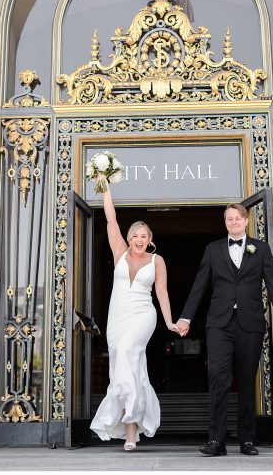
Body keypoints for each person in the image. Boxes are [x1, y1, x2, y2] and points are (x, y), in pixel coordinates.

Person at [176, 203, 273, 456]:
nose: (234, 222)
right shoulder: (213, 249)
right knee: (218, 379)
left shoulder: (260, 249)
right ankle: (216, 441)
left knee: (247, 381)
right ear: (225, 222)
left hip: (250, 323)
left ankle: (247, 440)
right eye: (229, 219)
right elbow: (199, 285)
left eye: (238, 218)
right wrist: (186, 318)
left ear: (246, 221)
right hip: (219, 323)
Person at [89, 176, 178, 451]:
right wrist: (105, 187)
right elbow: (110, 219)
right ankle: (130, 432)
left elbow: (161, 293)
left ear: (150, 240)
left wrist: (170, 322)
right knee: (125, 369)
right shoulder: (119, 252)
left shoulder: (157, 260)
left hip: (143, 315)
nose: (139, 240)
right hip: (117, 318)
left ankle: (133, 420)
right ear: (129, 238)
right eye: (135, 236)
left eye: (144, 236)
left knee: (128, 351)